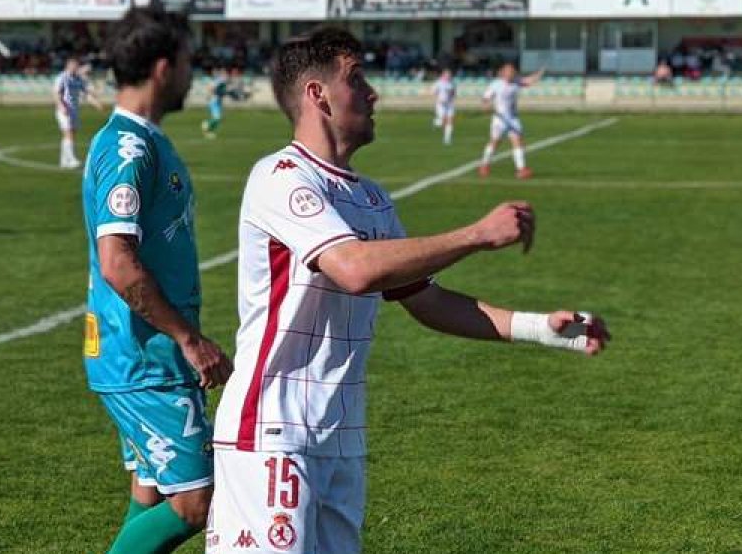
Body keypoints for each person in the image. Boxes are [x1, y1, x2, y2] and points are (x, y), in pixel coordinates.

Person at [207, 28, 610, 554]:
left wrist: (545, 329)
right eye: (357, 79)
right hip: (270, 430)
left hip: (340, 434)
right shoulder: (279, 177)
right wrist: (476, 234)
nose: (373, 92)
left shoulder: (372, 199)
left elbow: (428, 301)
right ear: (316, 93)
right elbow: (354, 268)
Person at [81, 8, 233, 554]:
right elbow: (117, 261)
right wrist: (189, 340)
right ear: (165, 68)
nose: (195, 73)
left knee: (149, 491)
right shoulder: (130, 147)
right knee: (196, 502)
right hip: (144, 358)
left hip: (139, 352)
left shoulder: (141, 141)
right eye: (190, 61)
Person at [478, 62, 545, 180]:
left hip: (513, 118)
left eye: (512, 71)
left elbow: (529, 81)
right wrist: (486, 105)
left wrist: (539, 73)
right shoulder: (495, 84)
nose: (511, 73)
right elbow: (485, 99)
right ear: (503, 73)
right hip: (499, 119)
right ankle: (485, 164)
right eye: (508, 71)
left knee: (517, 141)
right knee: (495, 143)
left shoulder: (516, 82)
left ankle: (521, 169)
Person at [55, 56, 103, 169]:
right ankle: (71, 159)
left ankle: (64, 160)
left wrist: (96, 103)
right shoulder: (62, 77)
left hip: (74, 110)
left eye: (76, 66)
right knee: (68, 133)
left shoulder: (78, 79)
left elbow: (87, 93)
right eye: (73, 66)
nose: (75, 68)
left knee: (70, 134)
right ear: (68, 66)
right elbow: (56, 93)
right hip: (65, 109)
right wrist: (61, 106)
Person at [430, 67, 456, 145]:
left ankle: (447, 139)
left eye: (450, 74)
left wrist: (452, 96)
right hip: (441, 105)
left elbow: (453, 92)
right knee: (443, 121)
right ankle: (436, 122)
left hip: (450, 104)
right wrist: (438, 99)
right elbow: (433, 92)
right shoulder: (438, 83)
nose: (449, 76)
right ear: (443, 75)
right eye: (447, 74)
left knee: (450, 121)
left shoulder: (452, 83)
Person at [201, 67, 228, 139]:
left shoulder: (221, 81)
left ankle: (209, 132)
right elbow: (211, 88)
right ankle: (206, 124)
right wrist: (211, 95)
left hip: (217, 101)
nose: (226, 75)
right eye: (224, 73)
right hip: (214, 101)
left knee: (218, 119)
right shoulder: (219, 81)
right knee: (217, 118)